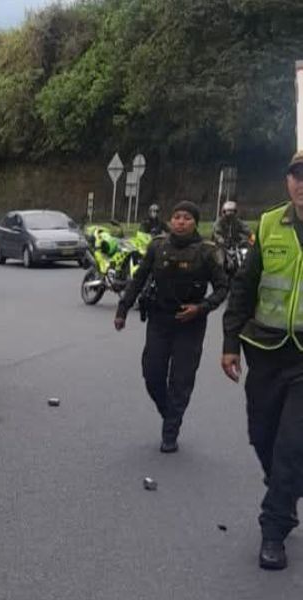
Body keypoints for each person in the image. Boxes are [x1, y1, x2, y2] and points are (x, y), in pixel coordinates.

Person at [222, 152, 303, 571]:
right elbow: (244, 287)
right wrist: (230, 343)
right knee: (262, 436)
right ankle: (286, 487)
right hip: (266, 352)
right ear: (288, 181)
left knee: (291, 445)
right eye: (297, 176)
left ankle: (274, 530)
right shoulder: (270, 223)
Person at [115, 201, 228, 453]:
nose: (181, 222)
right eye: (177, 217)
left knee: (181, 379)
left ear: (195, 223)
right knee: (152, 374)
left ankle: (170, 432)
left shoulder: (207, 251)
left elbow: (222, 288)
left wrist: (201, 308)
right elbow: (139, 278)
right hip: (160, 319)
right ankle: (170, 413)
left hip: (190, 324)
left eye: (187, 218)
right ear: (170, 220)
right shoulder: (158, 246)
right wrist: (123, 309)